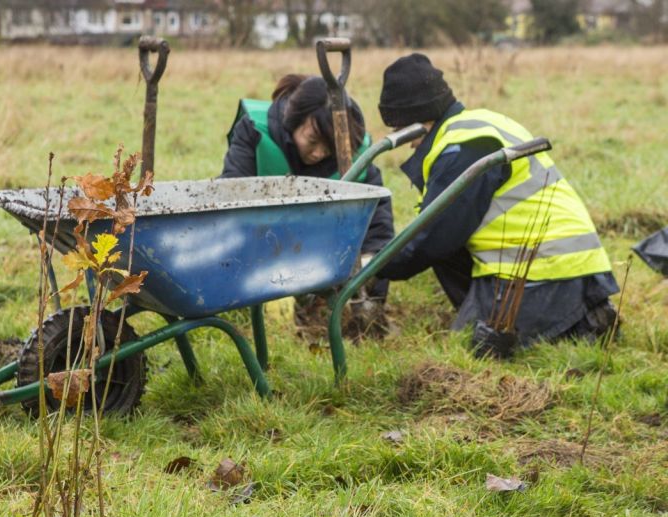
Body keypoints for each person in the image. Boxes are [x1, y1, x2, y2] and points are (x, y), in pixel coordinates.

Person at [375, 53, 618, 346]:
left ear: (416, 120)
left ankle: (576, 325)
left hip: (543, 273)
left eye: (400, 130)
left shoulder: (461, 147)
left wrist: (373, 266)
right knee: (449, 253)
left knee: (472, 344)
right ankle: (587, 315)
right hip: (579, 268)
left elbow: (433, 234)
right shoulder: (481, 124)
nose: (406, 143)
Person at [220, 74, 395, 338]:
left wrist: (371, 261)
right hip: (262, 250)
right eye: (312, 140)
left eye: (329, 146)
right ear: (293, 122)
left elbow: (378, 221)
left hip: (325, 255)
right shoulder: (256, 133)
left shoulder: (353, 154)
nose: (318, 153)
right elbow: (230, 205)